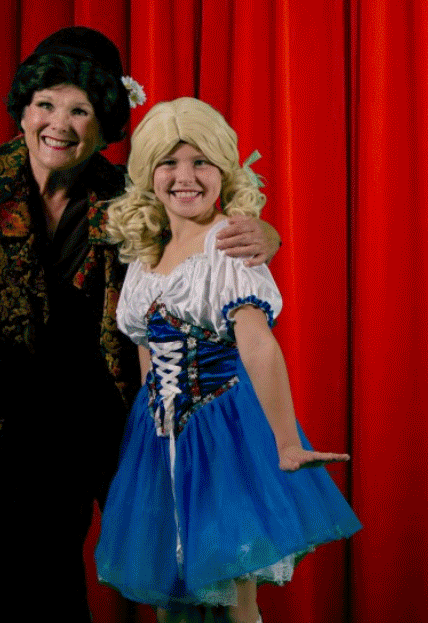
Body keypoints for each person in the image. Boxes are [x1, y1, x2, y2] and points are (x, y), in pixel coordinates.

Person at [0, 27, 280, 623]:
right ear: (24, 112)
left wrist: (264, 234)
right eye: (45, 104)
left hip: (59, 444)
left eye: (79, 110)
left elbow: (198, 226)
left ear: (104, 123)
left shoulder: (125, 199)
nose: (58, 125)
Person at [94, 97, 362, 623]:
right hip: (158, 438)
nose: (185, 177)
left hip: (223, 434)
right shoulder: (145, 254)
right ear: (148, 173)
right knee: (171, 591)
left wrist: (285, 440)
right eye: (169, 162)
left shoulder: (230, 244)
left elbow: (257, 344)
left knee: (235, 590)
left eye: (201, 161)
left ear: (223, 169)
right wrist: (151, 429)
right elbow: (147, 352)